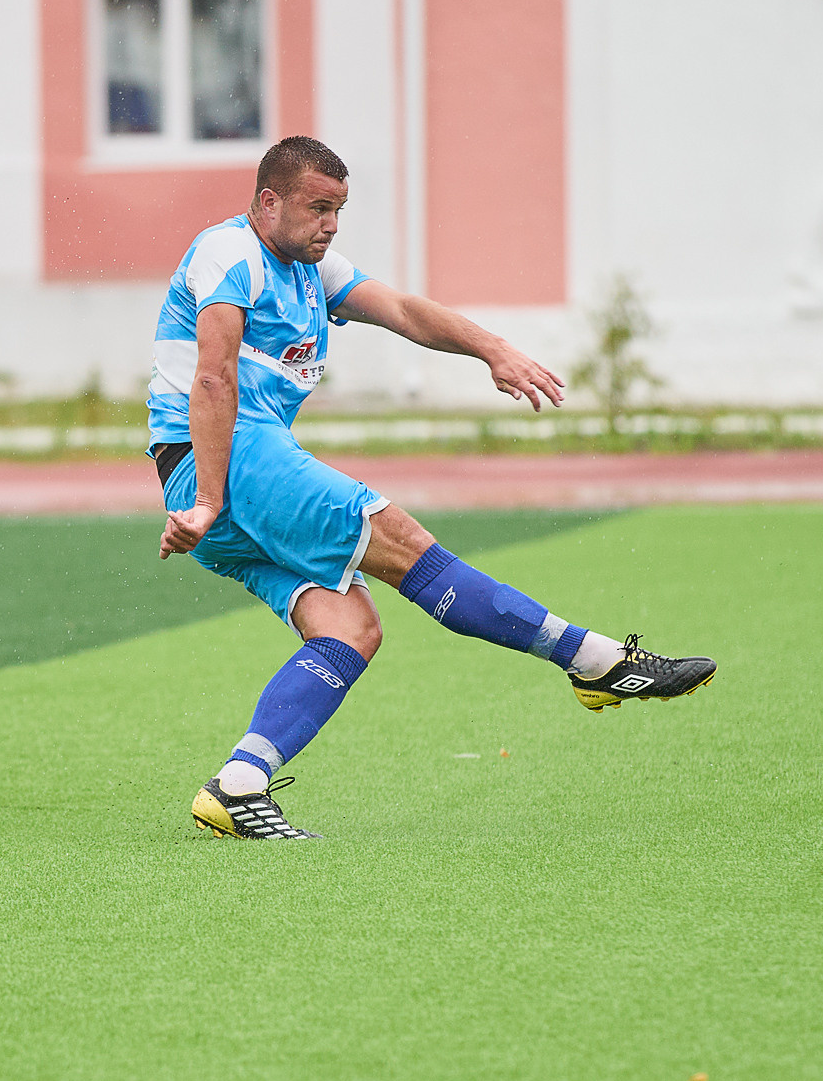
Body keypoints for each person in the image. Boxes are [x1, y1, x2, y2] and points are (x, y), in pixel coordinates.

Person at [155, 136, 716, 839]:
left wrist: (494, 348)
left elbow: (406, 310)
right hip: (227, 456)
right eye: (317, 207)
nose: (330, 223)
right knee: (405, 542)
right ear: (268, 201)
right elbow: (213, 378)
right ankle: (591, 658)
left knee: (351, 629)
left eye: (339, 209)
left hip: (225, 477)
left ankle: (238, 783)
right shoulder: (229, 253)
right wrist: (206, 496)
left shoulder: (311, 270)